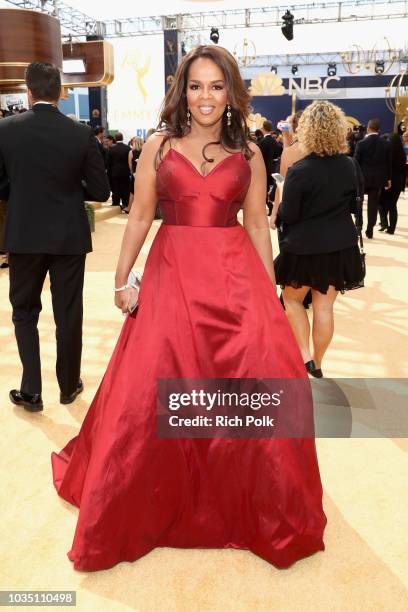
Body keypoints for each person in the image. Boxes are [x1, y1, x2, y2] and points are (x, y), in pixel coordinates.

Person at [51, 45, 326, 573]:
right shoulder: (158, 144)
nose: (206, 97)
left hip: (234, 281)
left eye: (216, 87)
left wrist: (268, 295)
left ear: (231, 94)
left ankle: (240, 503)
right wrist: (120, 277)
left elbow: (255, 227)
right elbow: (139, 217)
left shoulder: (248, 153)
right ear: (184, 91)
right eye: (196, 86)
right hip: (171, 277)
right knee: (149, 390)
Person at [0, 61, 110, 412]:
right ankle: (68, 386)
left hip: (23, 234)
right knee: (68, 312)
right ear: (61, 93)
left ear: (28, 91)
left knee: (24, 312)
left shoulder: (5, 129)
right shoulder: (80, 133)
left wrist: (21, 189)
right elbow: (100, 190)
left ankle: (31, 391)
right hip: (68, 237)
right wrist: (67, 189)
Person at [274, 101, 365, 378]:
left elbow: (288, 214)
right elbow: (353, 206)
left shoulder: (300, 170)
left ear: (307, 130)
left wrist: (281, 189)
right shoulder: (349, 165)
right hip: (339, 245)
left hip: (303, 248)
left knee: (292, 301)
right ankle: (319, 361)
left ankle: (304, 357)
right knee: (324, 307)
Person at [354, 118, 391, 239]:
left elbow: (355, 163)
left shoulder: (361, 143)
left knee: (359, 202)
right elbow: (388, 163)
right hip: (378, 180)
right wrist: (388, 179)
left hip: (362, 178)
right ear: (378, 129)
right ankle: (370, 229)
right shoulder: (385, 144)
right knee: (373, 205)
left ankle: (359, 226)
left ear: (368, 128)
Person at [378, 133, 406, 234]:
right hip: (398, 182)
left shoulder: (388, 153)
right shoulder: (402, 154)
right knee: (392, 205)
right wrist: (402, 186)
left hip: (388, 181)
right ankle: (391, 228)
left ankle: (384, 223)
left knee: (381, 202)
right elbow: (404, 171)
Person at [258, 120, 283, 215]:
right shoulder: (273, 141)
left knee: (263, 189)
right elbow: (277, 153)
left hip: (263, 169)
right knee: (270, 188)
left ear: (263, 128)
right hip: (272, 168)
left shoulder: (263, 141)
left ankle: (268, 206)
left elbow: (259, 155)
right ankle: (270, 205)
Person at [107, 132, 131, 210]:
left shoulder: (111, 149)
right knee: (125, 189)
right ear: (122, 138)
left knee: (116, 189)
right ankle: (125, 203)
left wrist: (109, 173)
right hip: (125, 173)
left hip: (115, 172)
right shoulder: (128, 148)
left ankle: (116, 204)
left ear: (115, 139)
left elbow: (109, 163)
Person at [125, 136, 144, 213]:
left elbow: (130, 166)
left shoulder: (131, 152)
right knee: (143, 192)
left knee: (132, 192)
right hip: (144, 175)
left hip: (135, 175)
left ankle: (129, 208)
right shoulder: (145, 151)